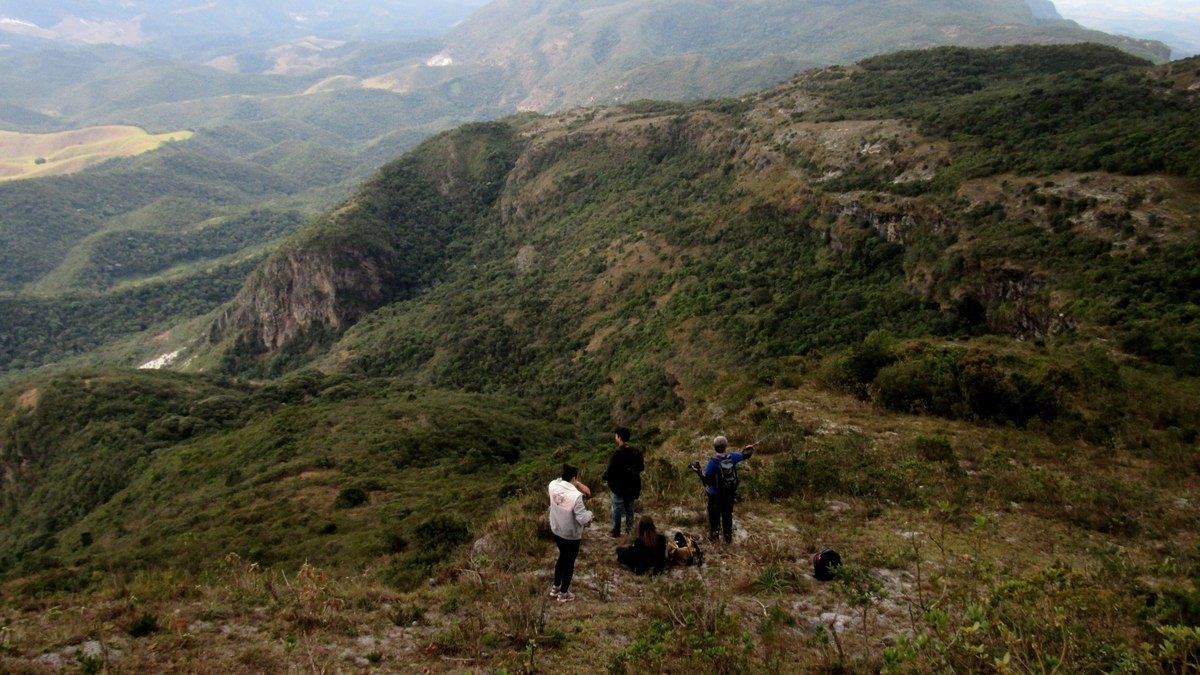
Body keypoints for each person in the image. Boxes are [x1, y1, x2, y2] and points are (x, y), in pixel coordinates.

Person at [690, 436, 754, 544]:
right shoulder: (733, 457)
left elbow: (707, 480)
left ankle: (714, 538)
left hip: (715, 495)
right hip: (729, 493)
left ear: (714, 447)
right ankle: (728, 539)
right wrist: (748, 448)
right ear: (726, 446)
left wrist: (698, 471)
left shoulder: (712, 463)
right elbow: (746, 455)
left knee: (714, 517)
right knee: (727, 515)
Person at [548, 463, 592, 602]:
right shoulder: (576, 496)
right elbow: (583, 519)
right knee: (569, 562)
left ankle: (555, 587)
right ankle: (564, 593)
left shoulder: (552, 485)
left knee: (562, 557)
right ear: (573, 478)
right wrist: (590, 514)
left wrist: (576, 482)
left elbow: (560, 480)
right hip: (570, 535)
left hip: (556, 530)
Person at [602, 427, 644, 539]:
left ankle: (616, 531)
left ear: (619, 438)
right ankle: (630, 531)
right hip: (632, 485)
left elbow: (610, 471)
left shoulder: (617, 453)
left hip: (619, 486)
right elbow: (641, 467)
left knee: (617, 508)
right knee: (630, 508)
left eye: (616, 435)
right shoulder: (636, 451)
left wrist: (605, 476)